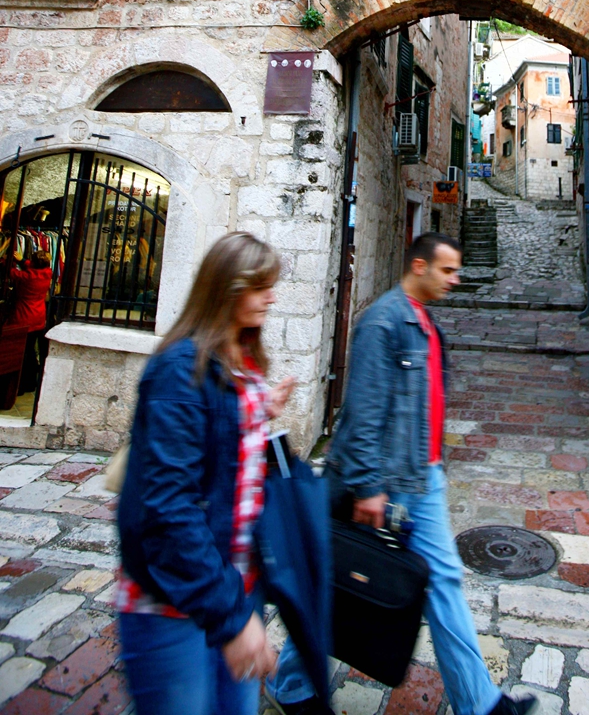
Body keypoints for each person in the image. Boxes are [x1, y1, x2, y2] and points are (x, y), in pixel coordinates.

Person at [275, 233, 537, 715]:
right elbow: (364, 410)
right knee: (340, 581)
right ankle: (292, 685)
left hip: (421, 477)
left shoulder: (423, 321)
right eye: (448, 270)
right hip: (389, 484)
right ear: (419, 265)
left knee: (433, 585)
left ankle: (481, 705)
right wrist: (370, 487)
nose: (455, 280)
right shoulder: (384, 322)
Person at [116, 232, 298, 715]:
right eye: (260, 287)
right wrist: (232, 619)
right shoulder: (179, 371)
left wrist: (262, 409)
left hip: (234, 591)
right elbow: (169, 507)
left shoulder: (239, 360)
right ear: (226, 289)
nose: (272, 297)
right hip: (177, 601)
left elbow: (221, 438)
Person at [8, 250, 53, 394]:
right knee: (31, 352)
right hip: (39, 317)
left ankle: (21, 384)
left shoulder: (26, 277)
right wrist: (22, 261)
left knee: (22, 353)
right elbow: (31, 267)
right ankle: (31, 382)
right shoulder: (47, 273)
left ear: (34, 263)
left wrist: (7, 259)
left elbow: (10, 272)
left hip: (24, 317)